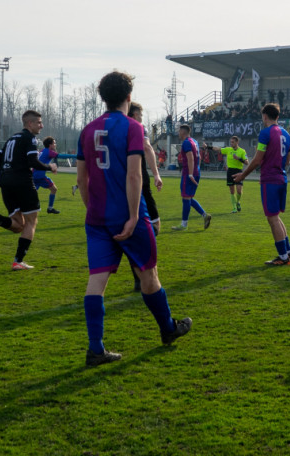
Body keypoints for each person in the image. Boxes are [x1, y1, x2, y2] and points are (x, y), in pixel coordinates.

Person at [76, 71, 191, 366]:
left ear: (103, 97)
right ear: (129, 97)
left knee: (96, 281)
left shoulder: (87, 130)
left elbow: (82, 176)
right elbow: (133, 173)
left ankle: (96, 349)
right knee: (148, 274)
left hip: (97, 218)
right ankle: (168, 329)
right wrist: (132, 216)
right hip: (129, 217)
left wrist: (93, 211)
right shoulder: (133, 128)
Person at [0, 110, 57, 270]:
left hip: (4, 181)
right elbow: (33, 162)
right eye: (39, 123)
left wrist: (9, 170)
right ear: (29, 123)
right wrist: (50, 166)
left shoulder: (11, 139)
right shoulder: (30, 138)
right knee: (31, 222)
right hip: (22, 182)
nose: (41, 126)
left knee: (18, 225)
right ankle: (18, 261)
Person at [233, 103, 290, 265]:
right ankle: (288, 251)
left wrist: (243, 175)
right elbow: (287, 160)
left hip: (270, 180)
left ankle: (282, 257)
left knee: (272, 218)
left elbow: (257, 159)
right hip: (282, 178)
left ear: (264, 116)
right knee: (276, 217)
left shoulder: (265, 133)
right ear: (278, 117)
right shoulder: (286, 134)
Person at [128, 101, 164, 292]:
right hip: (140, 184)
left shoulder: (111, 128)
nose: (142, 119)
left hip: (118, 187)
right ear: (134, 116)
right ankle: (145, 274)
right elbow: (148, 148)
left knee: (129, 230)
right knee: (152, 228)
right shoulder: (137, 128)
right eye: (141, 115)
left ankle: (137, 277)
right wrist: (156, 174)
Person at [171, 124, 211, 231]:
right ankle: (205, 215)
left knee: (186, 198)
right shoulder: (194, 141)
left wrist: (190, 174)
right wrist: (196, 170)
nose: (178, 133)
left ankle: (184, 225)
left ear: (183, 132)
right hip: (196, 172)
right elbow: (199, 157)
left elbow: (190, 158)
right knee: (189, 197)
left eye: (179, 131)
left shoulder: (186, 142)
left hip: (189, 173)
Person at [205, 136, 248, 213]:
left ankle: (238, 202)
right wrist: (208, 147)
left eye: (233, 142)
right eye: (230, 142)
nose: (231, 143)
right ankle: (234, 207)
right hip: (230, 171)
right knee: (232, 191)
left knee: (239, 190)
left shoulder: (242, 151)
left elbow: (247, 162)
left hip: (239, 171)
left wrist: (239, 159)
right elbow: (217, 149)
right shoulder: (228, 149)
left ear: (237, 142)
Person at [32, 136, 61, 214]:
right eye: (54, 143)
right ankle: (50, 208)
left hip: (34, 174)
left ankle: (21, 208)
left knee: (32, 194)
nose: (55, 144)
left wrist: (52, 168)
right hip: (39, 176)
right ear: (50, 145)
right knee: (54, 189)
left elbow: (43, 161)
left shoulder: (43, 150)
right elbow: (59, 156)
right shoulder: (49, 151)